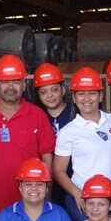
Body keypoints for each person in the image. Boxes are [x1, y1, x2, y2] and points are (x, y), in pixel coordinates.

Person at [0, 54, 56, 214]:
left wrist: (47, 197)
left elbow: (47, 158)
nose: (10, 87)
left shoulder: (38, 115)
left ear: (24, 84)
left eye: (16, 81)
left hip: (31, 204)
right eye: (4, 82)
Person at [52, 67, 111, 221]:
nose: (87, 98)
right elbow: (58, 170)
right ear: (74, 98)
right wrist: (76, 194)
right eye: (81, 93)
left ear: (101, 95)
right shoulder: (68, 131)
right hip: (86, 199)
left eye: (92, 93)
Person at [33, 62, 76, 209]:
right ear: (38, 95)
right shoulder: (35, 116)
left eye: (54, 90)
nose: (50, 95)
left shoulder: (77, 113)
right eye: (43, 92)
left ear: (63, 90)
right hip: (46, 182)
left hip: (75, 180)